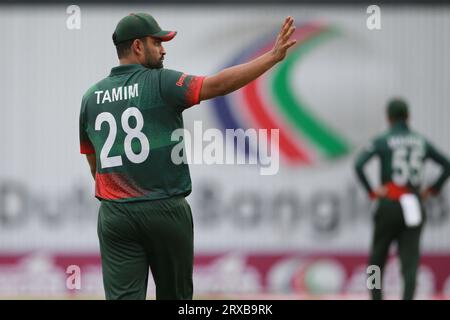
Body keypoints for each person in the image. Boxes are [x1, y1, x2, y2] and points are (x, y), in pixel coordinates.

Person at [79, 12, 297, 300]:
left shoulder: (91, 97)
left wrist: (119, 194)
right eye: (157, 42)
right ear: (137, 47)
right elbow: (218, 85)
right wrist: (271, 58)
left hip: (115, 215)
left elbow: (93, 162)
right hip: (165, 209)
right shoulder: (160, 82)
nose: (163, 48)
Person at [354, 99, 450, 300]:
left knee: (376, 260)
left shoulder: (383, 140)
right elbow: (447, 165)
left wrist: (372, 191)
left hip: (389, 203)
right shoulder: (420, 141)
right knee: (410, 261)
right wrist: (432, 189)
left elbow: (359, 165)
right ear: (408, 117)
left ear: (388, 118)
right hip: (413, 203)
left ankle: (377, 298)